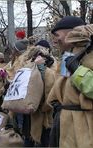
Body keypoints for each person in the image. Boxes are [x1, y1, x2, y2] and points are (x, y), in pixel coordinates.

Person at [46, 16, 93, 148]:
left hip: (85, 129)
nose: (55, 40)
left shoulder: (90, 54)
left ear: (71, 32)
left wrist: (78, 70)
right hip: (64, 125)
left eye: (56, 35)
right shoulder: (68, 56)